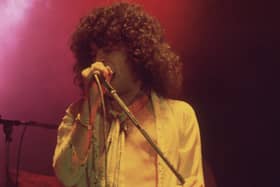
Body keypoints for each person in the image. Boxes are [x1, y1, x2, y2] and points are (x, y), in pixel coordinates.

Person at [53, 2, 204, 187]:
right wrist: (89, 108)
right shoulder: (77, 113)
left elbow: (193, 181)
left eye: (108, 50)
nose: (98, 59)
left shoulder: (181, 116)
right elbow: (66, 176)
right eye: (93, 53)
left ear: (137, 53)